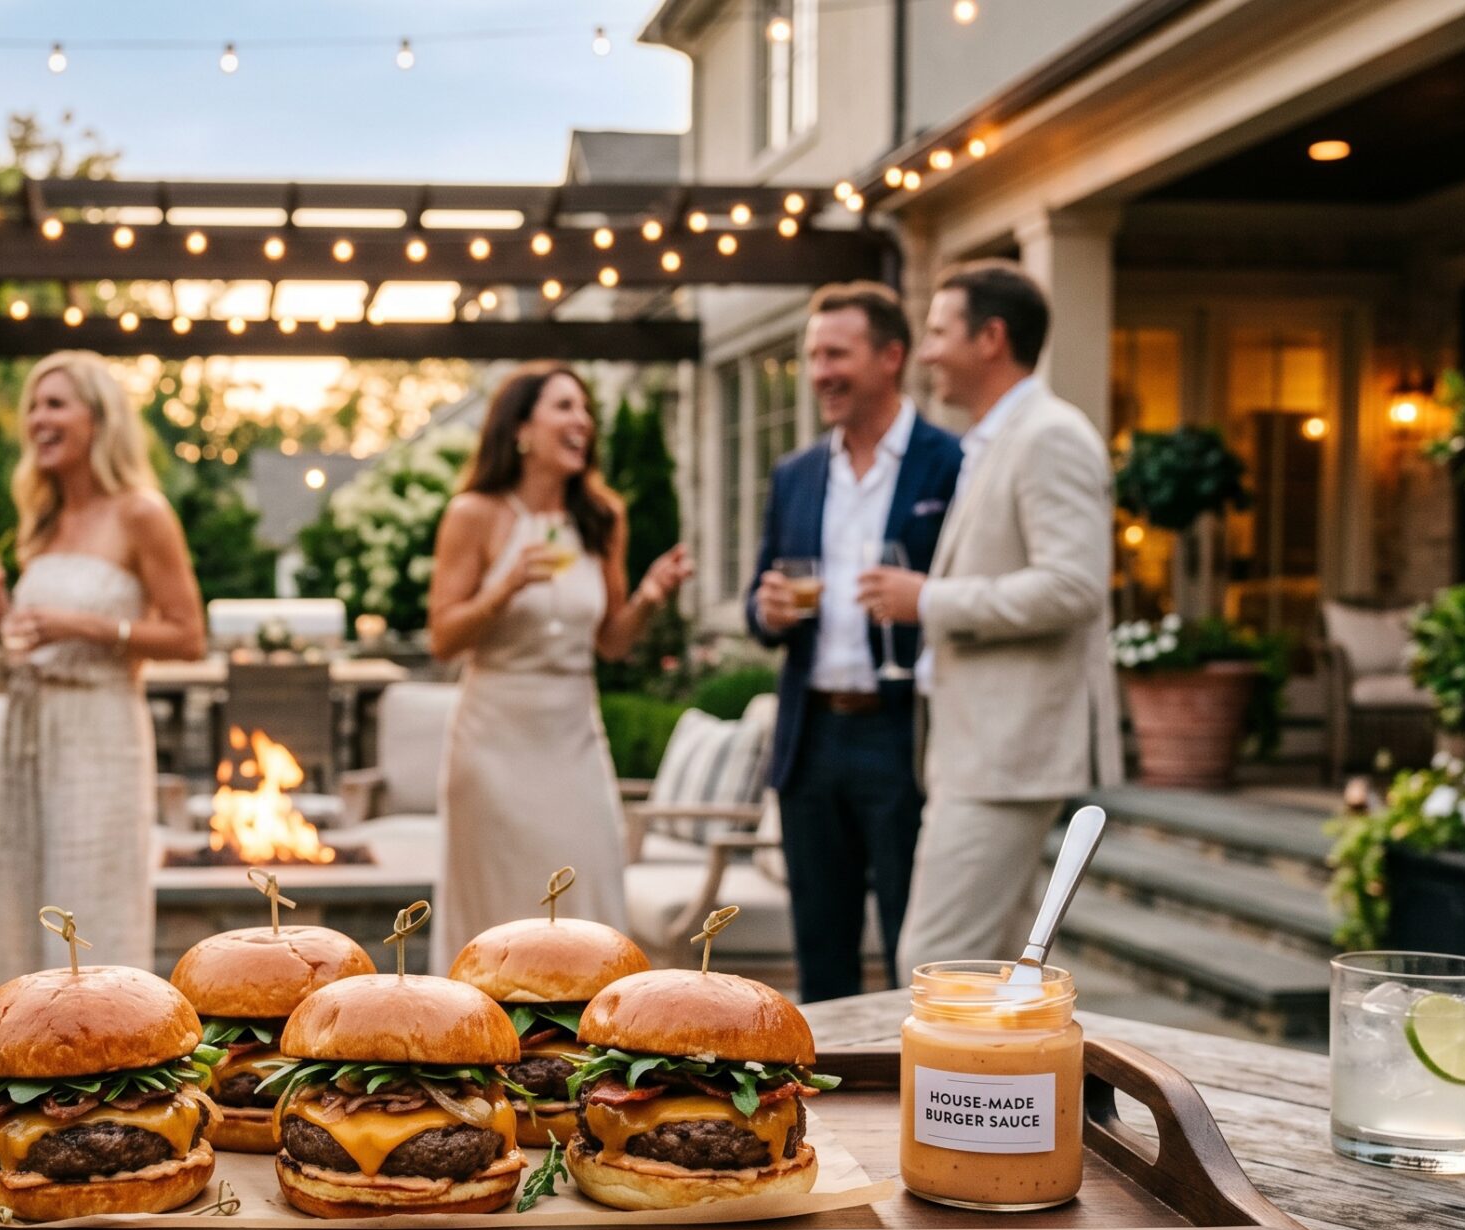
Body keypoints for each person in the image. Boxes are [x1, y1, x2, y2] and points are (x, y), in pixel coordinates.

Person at [857, 259, 1122, 973]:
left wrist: (927, 601)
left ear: (991, 338)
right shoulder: (995, 439)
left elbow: (1073, 586)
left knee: (935, 961)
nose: (926, 353)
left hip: (1006, 755)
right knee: (1005, 971)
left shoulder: (1048, 435)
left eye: (939, 333)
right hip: (977, 750)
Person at [425, 363, 695, 968]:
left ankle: (592, 1023)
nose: (583, 421)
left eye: (586, 409)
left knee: (589, 891)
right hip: (492, 743)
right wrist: (503, 588)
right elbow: (443, 638)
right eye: (565, 407)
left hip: (572, 738)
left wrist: (650, 597)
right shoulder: (474, 514)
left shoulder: (602, 519)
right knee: (495, 911)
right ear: (521, 429)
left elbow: (611, 644)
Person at [0, 351, 206, 981]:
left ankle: (108, 1034)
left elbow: (188, 637)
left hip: (99, 733)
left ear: (99, 418)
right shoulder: (44, 520)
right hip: (29, 731)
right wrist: (2, 611)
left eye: (55, 404)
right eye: (33, 406)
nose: (38, 419)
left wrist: (80, 625)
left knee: (90, 904)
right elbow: (36, 639)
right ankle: (29, 1033)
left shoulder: (142, 512)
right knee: (28, 900)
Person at [746, 282, 963, 1001]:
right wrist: (768, 610)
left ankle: (915, 1069)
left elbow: (968, 589)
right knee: (821, 950)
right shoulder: (797, 473)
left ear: (891, 356)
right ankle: (828, 1070)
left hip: (904, 734)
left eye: (836, 355)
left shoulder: (951, 463)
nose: (820, 373)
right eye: (814, 357)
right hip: (811, 739)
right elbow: (756, 602)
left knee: (915, 942)